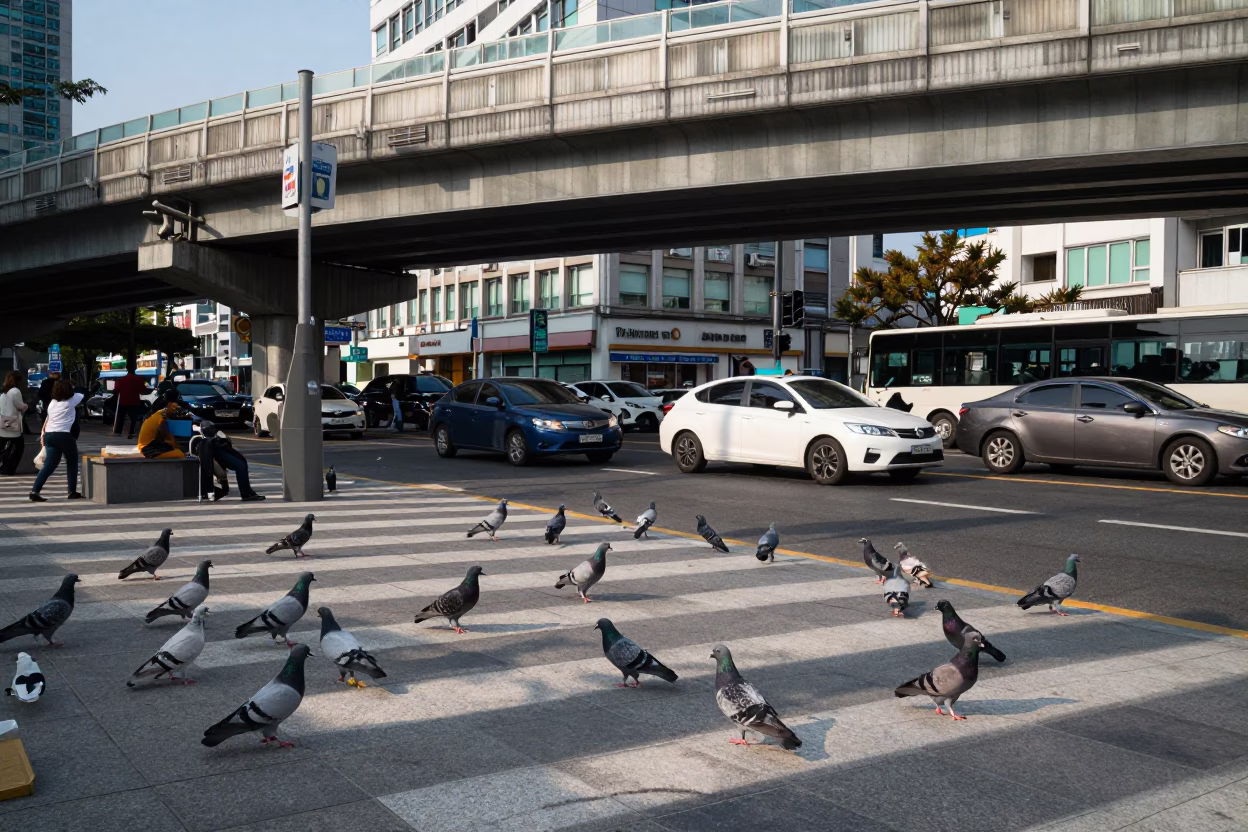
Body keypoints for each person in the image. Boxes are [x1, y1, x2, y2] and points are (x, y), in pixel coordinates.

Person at [29, 379, 84, 502]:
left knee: (49, 465)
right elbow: (82, 393)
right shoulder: (71, 400)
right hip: (64, 435)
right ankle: (71, 491)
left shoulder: (52, 403)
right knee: (72, 463)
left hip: (49, 435)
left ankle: (35, 490)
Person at [192, 421, 265, 502]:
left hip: (216, 450)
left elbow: (197, 428)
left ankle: (246, 492)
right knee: (240, 465)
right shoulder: (209, 442)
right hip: (217, 452)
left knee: (241, 465)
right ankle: (246, 493)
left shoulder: (208, 440)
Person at [137, 391, 187, 459]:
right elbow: (167, 437)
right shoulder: (161, 419)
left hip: (148, 446)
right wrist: (177, 447)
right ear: (170, 404)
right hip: (148, 449)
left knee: (178, 451)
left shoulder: (158, 414)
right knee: (180, 454)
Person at [0, 371, 30, 476]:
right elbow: (20, 406)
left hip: (3, 423)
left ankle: (3, 467)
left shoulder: (4, 392)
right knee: (18, 447)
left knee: (4, 447)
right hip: (13, 423)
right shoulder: (15, 391)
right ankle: (9, 468)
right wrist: (26, 406)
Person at [111, 367, 148, 439]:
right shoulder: (139, 380)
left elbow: (116, 390)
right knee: (133, 418)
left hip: (123, 401)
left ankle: (119, 431)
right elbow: (142, 390)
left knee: (121, 417)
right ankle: (131, 431)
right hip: (134, 401)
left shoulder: (121, 380)